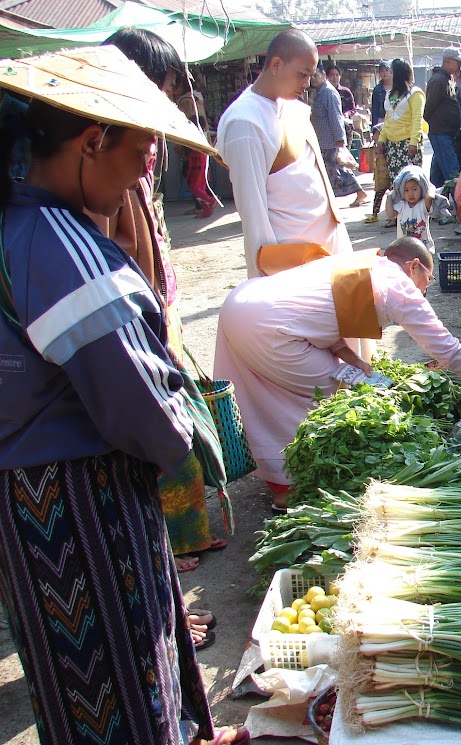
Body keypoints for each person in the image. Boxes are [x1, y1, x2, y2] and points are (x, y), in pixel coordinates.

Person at [0, 45, 251, 745]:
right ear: (90, 143)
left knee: (72, 681)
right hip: (85, 503)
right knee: (126, 676)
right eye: (143, 150)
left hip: (27, 503)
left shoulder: (18, 227)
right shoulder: (61, 248)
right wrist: (182, 433)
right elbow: (143, 409)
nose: (149, 169)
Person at [214, 237, 461, 499]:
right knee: (326, 401)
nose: (425, 289)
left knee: (269, 393)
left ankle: (276, 477)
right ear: (413, 266)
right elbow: (449, 351)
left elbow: (314, 310)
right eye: (427, 278)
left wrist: (350, 357)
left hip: (242, 303)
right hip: (266, 327)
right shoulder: (399, 286)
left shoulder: (366, 262)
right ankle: (290, 486)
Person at [101, 27, 229, 584]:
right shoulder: (107, 152)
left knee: (179, 416)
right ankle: (164, 553)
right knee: (159, 428)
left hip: (161, 304)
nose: (169, 102)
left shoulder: (140, 146)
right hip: (130, 313)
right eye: (166, 86)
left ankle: (183, 538)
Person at [217, 28, 352, 278]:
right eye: (302, 74)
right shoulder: (245, 122)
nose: (306, 84)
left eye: (310, 75)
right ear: (276, 65)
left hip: (327, 251)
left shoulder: (291, 107)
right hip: (293, 265)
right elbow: (253, 214)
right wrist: (267, 285)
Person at [367, 58, 425, 226]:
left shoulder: (415, 94)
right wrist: (382, 140)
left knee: (412, 184)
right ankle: (398, 216)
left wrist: (414, 142)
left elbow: (417, 120)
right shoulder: (390, 94)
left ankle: (415, 216)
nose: (388, 75)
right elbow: (388, 119)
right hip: (392, 146)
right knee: (396, 183)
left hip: (408, 144)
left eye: (391, 72)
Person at [309, 63, 368, 207]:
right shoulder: (320, 92)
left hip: (331, 141)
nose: (313, 79)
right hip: (323, 141)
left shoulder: (328, 93)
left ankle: (359, 192)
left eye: (315, 75)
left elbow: (336, 117)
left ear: (323, 75)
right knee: (333, 171)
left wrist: (340, 141)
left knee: (336, 171)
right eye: (311, 76)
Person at [176, 71, 219, 219]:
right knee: (198, 180)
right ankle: (204, 206)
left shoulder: (187, 100)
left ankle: (207, 202)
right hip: (201, 143)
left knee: (193, 181)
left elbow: (191, 121)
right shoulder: (197, 98)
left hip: (193, 145)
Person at [424, 48, 461, 189]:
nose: (460, 65)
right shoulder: (439, 80)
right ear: (448, 61)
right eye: (458, 62)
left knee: (438, 172)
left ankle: (435, 201)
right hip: (440, 132)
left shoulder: (445, 79)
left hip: (444, 132)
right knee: (452, 171)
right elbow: (429, 107)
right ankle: (458, 204)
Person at [385, 164, 434, 252]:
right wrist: (389, 197)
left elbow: (429, 197)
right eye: (406, 190)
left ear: (422, 188)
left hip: (423, 248)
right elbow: (390, 215)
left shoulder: (423, 205)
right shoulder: (401, 205)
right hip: (404, 248)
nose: (411, 193)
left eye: (414, 189)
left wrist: (431, 187)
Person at [371, 60, 390, 127]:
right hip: (381, 120)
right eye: (382, 71)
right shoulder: (377, 90)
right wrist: (374, 127)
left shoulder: (397, 88)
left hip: (395, 121)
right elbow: (374, 110)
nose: (385, 73)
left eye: (387, 70)